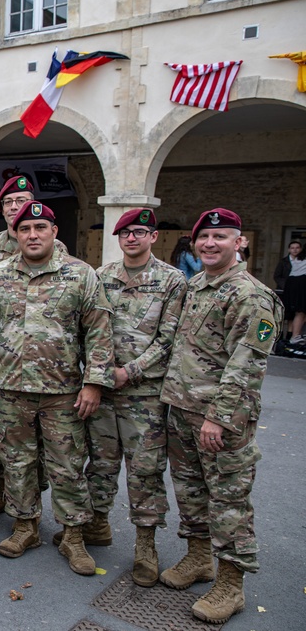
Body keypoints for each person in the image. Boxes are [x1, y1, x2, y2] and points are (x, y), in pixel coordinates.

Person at [0, 201, 115, 576]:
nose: (32, 235)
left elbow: (99, 333)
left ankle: (73, 535)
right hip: (10, 391)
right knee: (17, 462)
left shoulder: (81, 275)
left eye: (40, 227)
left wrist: (95, 382)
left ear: (54, 231)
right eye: (25, 229)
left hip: (63, 392)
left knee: (67, 466)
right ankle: (25, 526)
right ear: (15, 235)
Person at [158, 208, 283, 624]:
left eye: (221, 237)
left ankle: (231, 585)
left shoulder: (253, 296)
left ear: (239, 242)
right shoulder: (196, 285)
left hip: (220, 421)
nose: (210, 244)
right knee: (191, 493)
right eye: (204, 238)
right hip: (182, 411)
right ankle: (198, 559)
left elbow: (247, 364)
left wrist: (219, 416)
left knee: (229, 501)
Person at [68, 208, 186, 587]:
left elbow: (169, 338)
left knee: (145, 471)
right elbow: (88, 329)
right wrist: (99, 375)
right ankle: (97, 525)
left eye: (139, 232)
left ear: (153, 236)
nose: (131, 238)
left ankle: (145, 547)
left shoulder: (171, 280)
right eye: (125, 233)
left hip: (145, 395)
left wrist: (129, 371)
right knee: (99, 464)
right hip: (103, 389)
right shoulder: (101, 277)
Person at [0, 176, 64, 521]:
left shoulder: (57, 249)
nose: (13, 207)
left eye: (20, 200)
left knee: (36, 438)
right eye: (8, 202)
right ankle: (0, 488)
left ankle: (31, 500)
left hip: (43, 366)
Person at [274, 239, 305, 344]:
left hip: (296, 283)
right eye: (292, 248)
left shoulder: (299, 258)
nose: (295, 250)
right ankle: (292, 336)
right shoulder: (286, 261)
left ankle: (294, 335)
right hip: (297, 284)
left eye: (297, 248)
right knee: (298, 311)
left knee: (299, 312)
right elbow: (277, 276)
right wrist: (285, 286)